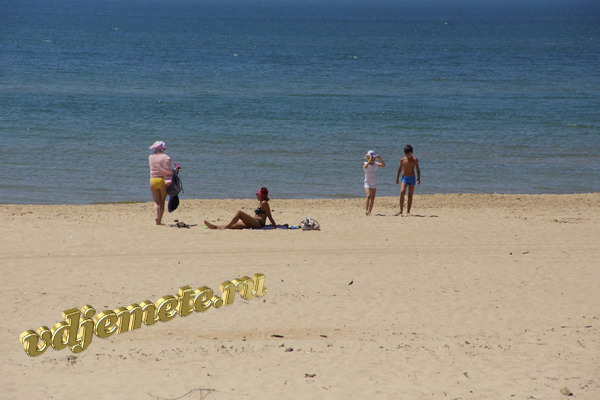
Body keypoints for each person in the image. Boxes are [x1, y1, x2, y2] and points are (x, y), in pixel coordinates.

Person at [204, 187, 277, 229]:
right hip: (254, 221)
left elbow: (270, 216)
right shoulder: (261, 202)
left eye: (257, 194)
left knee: (239, 212)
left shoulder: (264, 203)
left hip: (258, 223)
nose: (256, 195)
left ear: (261, 195)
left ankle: (225, 228)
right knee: (234, 225)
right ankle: (215, 227)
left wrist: (275, 227)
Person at [148, 141, 178, 225]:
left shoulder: (150, 157)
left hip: (153, 180)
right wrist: (175, 169)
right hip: (162, 180)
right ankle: (159, 220)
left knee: (156, 201)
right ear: (163, 148)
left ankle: (156, 216)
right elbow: (168, 172)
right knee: (162, 202)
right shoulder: (167, 157)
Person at [395, 144, 421, 216]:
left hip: (412, 178)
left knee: (410, 195)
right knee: (402, 192)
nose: (408, 155)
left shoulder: (415, 160)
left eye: (409, 154)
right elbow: (399, 169)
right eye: (406, 154)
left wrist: (419, 178)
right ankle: (401, 210)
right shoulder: (402, 160)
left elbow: (417, 169)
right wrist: (397, 178)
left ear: (412, 152)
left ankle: (408, 211)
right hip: (405, 178)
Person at [363, 150, 385, 216]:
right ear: (368, 157)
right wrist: (369, 160)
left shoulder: (375, 164)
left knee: (372, 198)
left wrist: (380, 158)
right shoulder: (365, 163)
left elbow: (383, 165)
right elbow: (365, 167)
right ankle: (366, 210)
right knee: (368, 195)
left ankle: (369, 211)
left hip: (373, 183)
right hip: (367, 183)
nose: (373, 159)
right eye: (372, 157)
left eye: (374, 157)